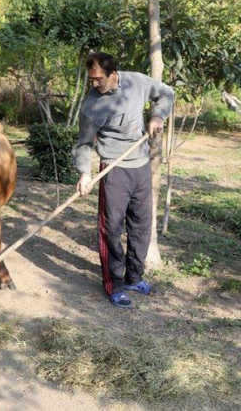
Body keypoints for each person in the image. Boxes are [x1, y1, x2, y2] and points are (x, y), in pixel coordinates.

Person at [73, 52, 174, 308]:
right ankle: (115, 286)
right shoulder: (92, 106)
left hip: (141, 166)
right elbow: (84, 143)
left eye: (98, 79)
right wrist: (85, 173)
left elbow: (167, 93)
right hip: (113, 171)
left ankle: (134, 277)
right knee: (112, 231)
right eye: (91, 80)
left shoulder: (137, 82)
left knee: (141, 225)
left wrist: (157, 116)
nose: (94, 84)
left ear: (113, 73)